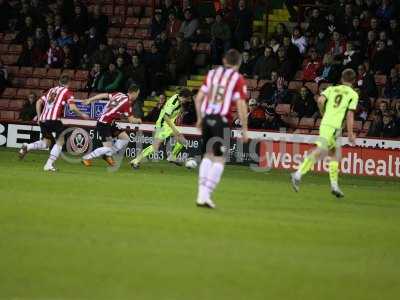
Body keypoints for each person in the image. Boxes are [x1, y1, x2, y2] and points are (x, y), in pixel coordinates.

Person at [291, 69, 359, 198]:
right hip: (335, 126)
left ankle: (334, 185)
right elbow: (350, 114)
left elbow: (320, 100)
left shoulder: (332, 89)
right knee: (322, 150)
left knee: (334, 154)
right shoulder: (353, 94)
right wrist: (350, 133)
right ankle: (298, 174)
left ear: (341, 79)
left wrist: (323, 113)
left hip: (327, 124)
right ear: (354, 80)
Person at [194, 49, 249, 209]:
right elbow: (240, 104)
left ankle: (201, 195)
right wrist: (245, 128)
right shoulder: (237, 78)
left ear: (224, 60)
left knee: (207, 155)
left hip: (207, 118)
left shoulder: (211, 74)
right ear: (238, 63)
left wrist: (199, 118)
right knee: (219, 159)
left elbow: (198, 98)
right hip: (221, 120)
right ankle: (205, 196)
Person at [18, 75, 90, 171]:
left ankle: (27, 146)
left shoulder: (50, 90)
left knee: (46, 143)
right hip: (54, 119)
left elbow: (39, 102)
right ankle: (48, 165)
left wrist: (39, 117)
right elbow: (72, 108)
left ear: (60, 82)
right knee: (60, 142)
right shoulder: (67, 92)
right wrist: (83, 115)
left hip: (44, 120)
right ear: (69, 83)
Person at [81, 83, 142, 167]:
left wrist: (90, 99)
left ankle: (107, 155)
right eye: (138, 94)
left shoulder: (119, 94)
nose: (137, 96)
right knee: (108, 148)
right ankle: (87, 157)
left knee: (125, 138)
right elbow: (131, 120)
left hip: (111, 123)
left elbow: (104, 95)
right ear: (134, 93)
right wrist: (138, 120)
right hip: (103, 123)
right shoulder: (127, 103)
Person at [129, 89, 192, 168]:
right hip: (162, 124)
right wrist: (174, 129)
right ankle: (136, 161)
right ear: (183, 97)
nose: (187, 101)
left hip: (169, 124)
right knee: (155, 146)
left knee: (183, 141)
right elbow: (165, 117)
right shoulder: (174, 103)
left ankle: (172, 156)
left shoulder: (178, 99)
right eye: (187, 98)